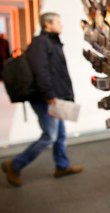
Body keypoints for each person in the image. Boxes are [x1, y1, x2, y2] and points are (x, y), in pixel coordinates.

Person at [2, 12, 82, 187]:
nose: (61, 25)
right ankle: (14, 165)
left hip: (55, 96)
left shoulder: (52, 42)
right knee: (50, 136)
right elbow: (41, 70)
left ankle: (62, 166)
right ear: (47, 25)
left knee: (60, 133)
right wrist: (49, 94)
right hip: (45, 97)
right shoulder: (41, 42)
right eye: (58, 22)